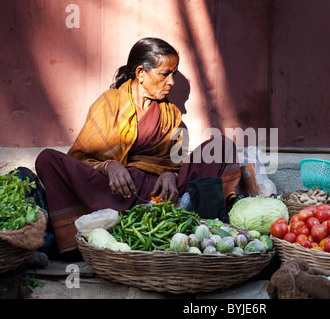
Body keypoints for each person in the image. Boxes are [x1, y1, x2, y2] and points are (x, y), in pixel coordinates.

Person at [35, 38, 241, 254]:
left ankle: (208, 234)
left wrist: (170, 175)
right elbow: (81, 158)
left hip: (161, 196)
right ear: (141, 73)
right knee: (47, 159)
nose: (171, 82)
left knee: (220, 146)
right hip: (115, 193)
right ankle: (78, 244)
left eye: (174, 74)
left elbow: (177, 164)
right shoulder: (109, 103)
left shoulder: (171, 114)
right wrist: (108, 166)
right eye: (165, 74)